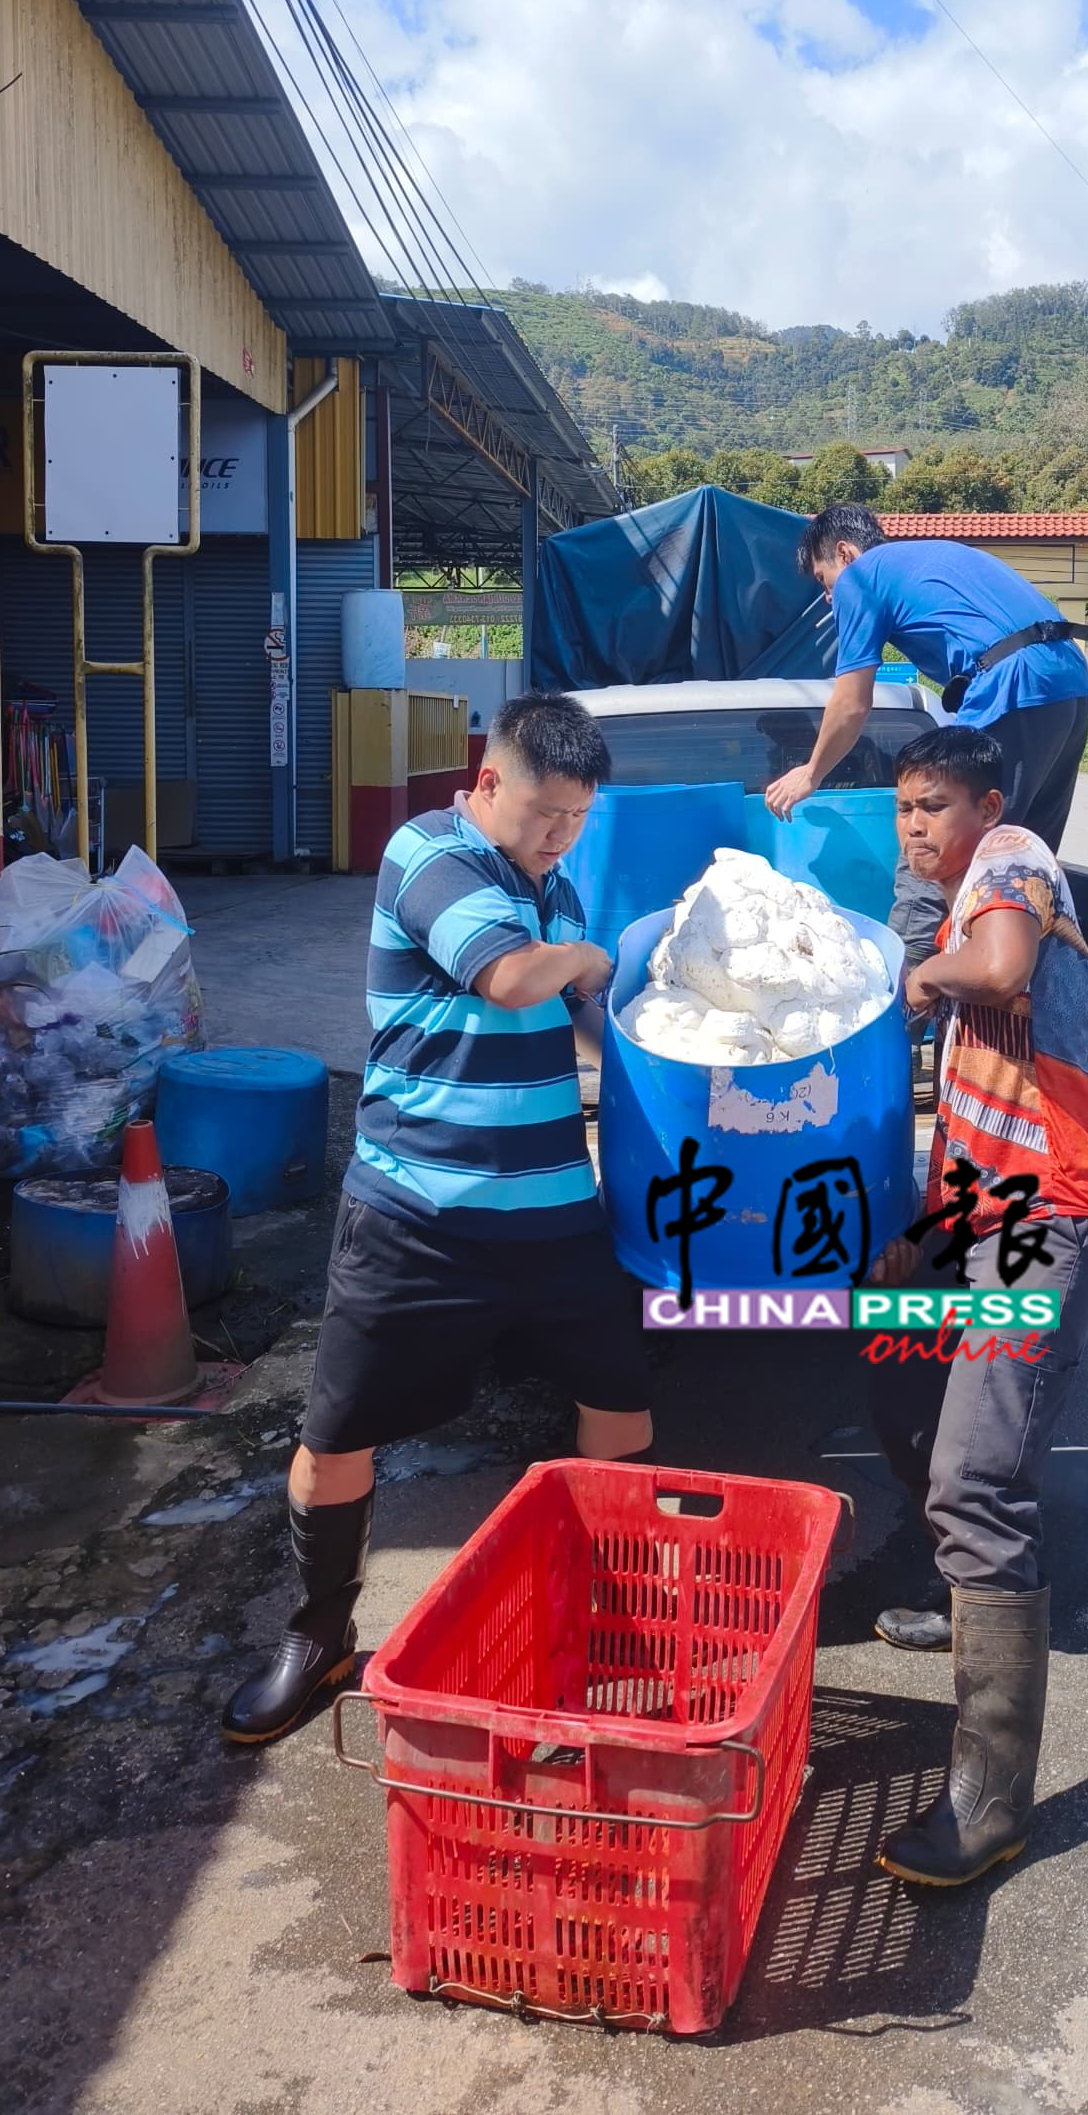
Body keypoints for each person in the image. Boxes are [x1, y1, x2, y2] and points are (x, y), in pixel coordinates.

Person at [221, 693, 652, 1745]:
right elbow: (510, 979)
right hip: (414, 1213)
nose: (560, 834)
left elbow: (586, 1023)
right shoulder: (428, 852)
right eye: (545, 811)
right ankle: (319, 1635)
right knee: (336, 1439)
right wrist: (592, 962)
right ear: (488, 780)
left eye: (579, 817)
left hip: (553, 1210)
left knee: (624, 1405)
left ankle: (598, 1625)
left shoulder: (559, 886)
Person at [866, 724, 1088, 1887]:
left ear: (984, 802)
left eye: (933, 805)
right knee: (885, 1345)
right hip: (982, 1211)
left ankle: (990, 1799)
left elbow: (1004, 966)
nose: (916, 826)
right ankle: (959, 1589)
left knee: (978, 1473)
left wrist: (921, 977)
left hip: (1053, 1215)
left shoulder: (1014, 855)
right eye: (901, 810)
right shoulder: (952, 887)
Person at [763, 503, 1088, 971]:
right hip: (1070, 683)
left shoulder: (862, 577)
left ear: (844, 552)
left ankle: (904, 999)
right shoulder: (928, 557)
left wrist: (811, 773)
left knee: (931, 845)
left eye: (823, 581)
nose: (827, 599)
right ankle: (1023, 1000)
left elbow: (853, 700)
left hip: (1011, 685)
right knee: (1022, 859)